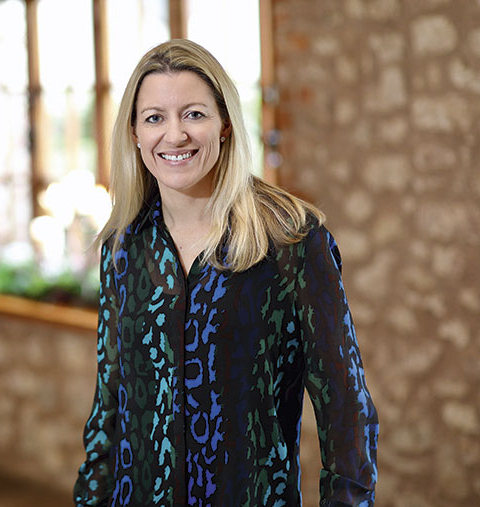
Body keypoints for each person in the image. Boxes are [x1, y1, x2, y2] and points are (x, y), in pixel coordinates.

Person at [73, 39, 378, 506]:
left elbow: (346, 410)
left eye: (194, 114)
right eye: (154, 117)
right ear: (134, 132)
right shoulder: (123, 246)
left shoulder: (290, 241)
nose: (174, 135)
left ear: (226, 125)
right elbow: (109, 403)